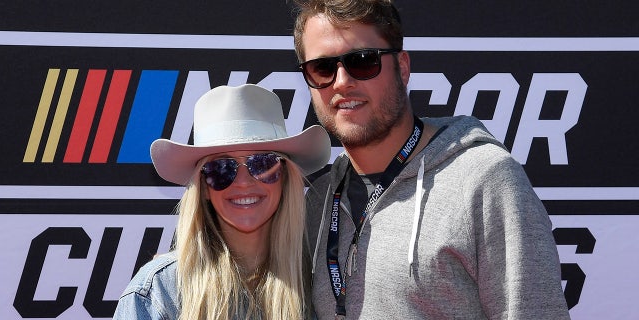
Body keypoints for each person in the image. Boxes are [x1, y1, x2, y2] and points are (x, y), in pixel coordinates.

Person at [292, 0, 571, 319]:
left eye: (363, 61)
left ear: (403, 67)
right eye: (323, 68)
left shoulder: (483, 180)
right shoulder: (318, 201)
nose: (341, 81)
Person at [112, 84, 331, 319]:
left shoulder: (321, 288)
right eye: (221, 168)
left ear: (286, 178)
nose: (243, 182)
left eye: (263, 164)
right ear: (203, 187)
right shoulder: (158, 293)